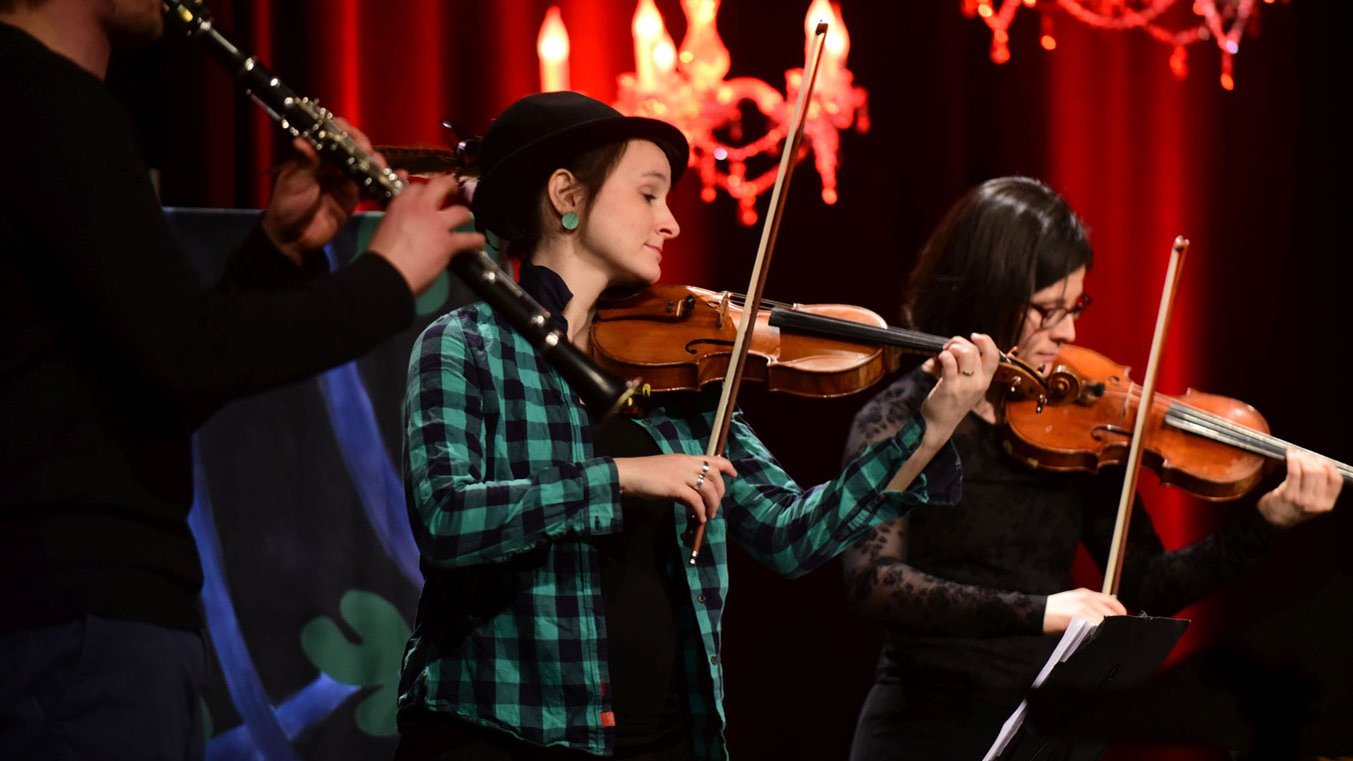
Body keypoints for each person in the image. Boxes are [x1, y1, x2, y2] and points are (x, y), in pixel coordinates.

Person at [393, 90, 999, 761]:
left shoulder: (680, 365)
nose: (671, 223)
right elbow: (447, 520)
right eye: (649, 194)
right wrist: (621, 477)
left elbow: (788, 534)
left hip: (668, 739)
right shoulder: (465, 346)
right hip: (499, 734)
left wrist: (927, 429)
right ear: (566, 194)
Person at [0, 1, 484, 759]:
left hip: (69, 622)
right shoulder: (50, 104)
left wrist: (274, 254)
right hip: (78, 626)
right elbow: (186, 356)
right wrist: (389, 276)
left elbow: (138, 379)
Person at [840, 175, 1344, 760]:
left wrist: (1267, 521)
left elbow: (1145, 583)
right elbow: (871, 581)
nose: (1069, 333)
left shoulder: (1078, 416)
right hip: (923, 732)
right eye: (1046, 311)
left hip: (1043, 731)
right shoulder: (899, 418)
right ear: (987, 293)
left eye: (1074, 306)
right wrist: (1046, 610)